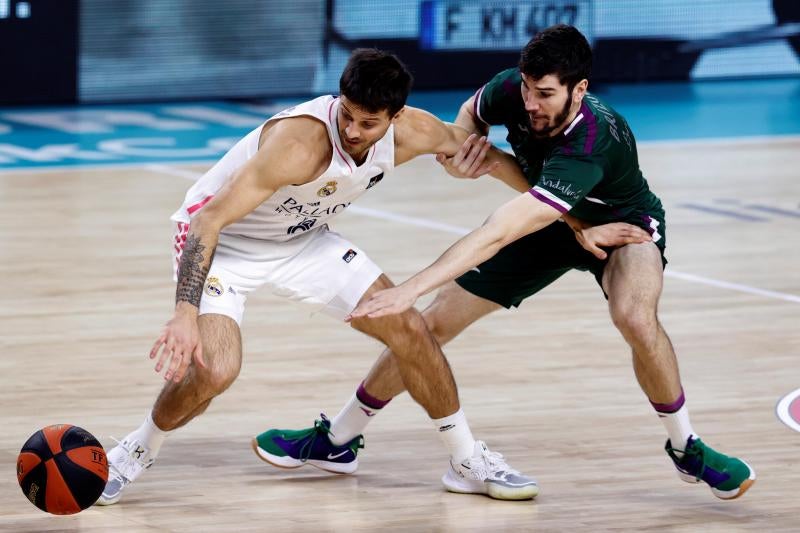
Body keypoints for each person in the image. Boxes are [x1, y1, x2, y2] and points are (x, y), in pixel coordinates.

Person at [263, 25, 756, 501]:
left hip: (619, 226)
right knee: (431, 326)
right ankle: (338, 439)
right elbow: (468, 117)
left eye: (544, 93)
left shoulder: (590, 143)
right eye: (525, 88)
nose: (529, 103)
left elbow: (497, 231)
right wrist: (468, 151)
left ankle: (685, 446)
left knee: (633, 315)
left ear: (579, 89)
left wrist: (408, 289)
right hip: (552, 216)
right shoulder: (512, 90)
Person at [95, 48, 557, 506]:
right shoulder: (299, 145)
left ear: (395, 118)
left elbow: (490, 158)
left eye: (368, 123)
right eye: (348, 116)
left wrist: (573, 217)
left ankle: (465, 461)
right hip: (226, 244)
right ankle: (135, 449)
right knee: (216, 369)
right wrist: (184, 312)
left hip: (303, 238)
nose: (353, 131)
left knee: (412, 329)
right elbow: (206, 223)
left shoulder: (415, 131)